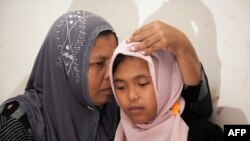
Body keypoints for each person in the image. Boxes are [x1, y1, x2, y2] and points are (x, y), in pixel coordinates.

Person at [0, 10, 212, 141]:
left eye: (111, 64)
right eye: (99, 64)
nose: (110, 77)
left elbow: (199, 113)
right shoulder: (18, 120)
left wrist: (184, 49)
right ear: (67, 69)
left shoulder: (116, 109)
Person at [110, 40, 223, 141]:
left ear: (165, 81)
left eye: (142, 84)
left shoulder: (202, 134)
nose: (132, 96)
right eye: (120, 87)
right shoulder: (114, 131)